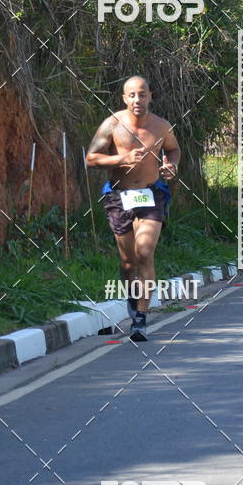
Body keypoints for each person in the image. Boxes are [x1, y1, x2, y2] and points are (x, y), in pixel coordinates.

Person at [86, 76, 180, 341]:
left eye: (143, 94)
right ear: (125, 98)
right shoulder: (112, 124)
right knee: (128, 262)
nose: (138, 100)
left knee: (144, 252)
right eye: (132, 95)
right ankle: (132, 295)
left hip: (152, 195)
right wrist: (121, 158)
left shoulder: (162, 127)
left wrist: (171, 167)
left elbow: (173, 151)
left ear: (150, 96)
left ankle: (140, 319)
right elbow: (91, 158)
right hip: (119, 197)